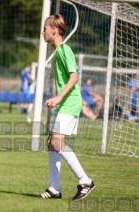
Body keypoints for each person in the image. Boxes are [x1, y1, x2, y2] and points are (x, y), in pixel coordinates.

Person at [41, 14, 95, 201]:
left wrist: (58, 97)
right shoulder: (57, 52)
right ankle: (54, 188)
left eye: (45, 28)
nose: (43, 32)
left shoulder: (64, 49)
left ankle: (85, 181)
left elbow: (74, 77)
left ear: (54, 30)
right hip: (63, 103)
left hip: (69, 102)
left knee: (57, 142)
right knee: (51, 143)